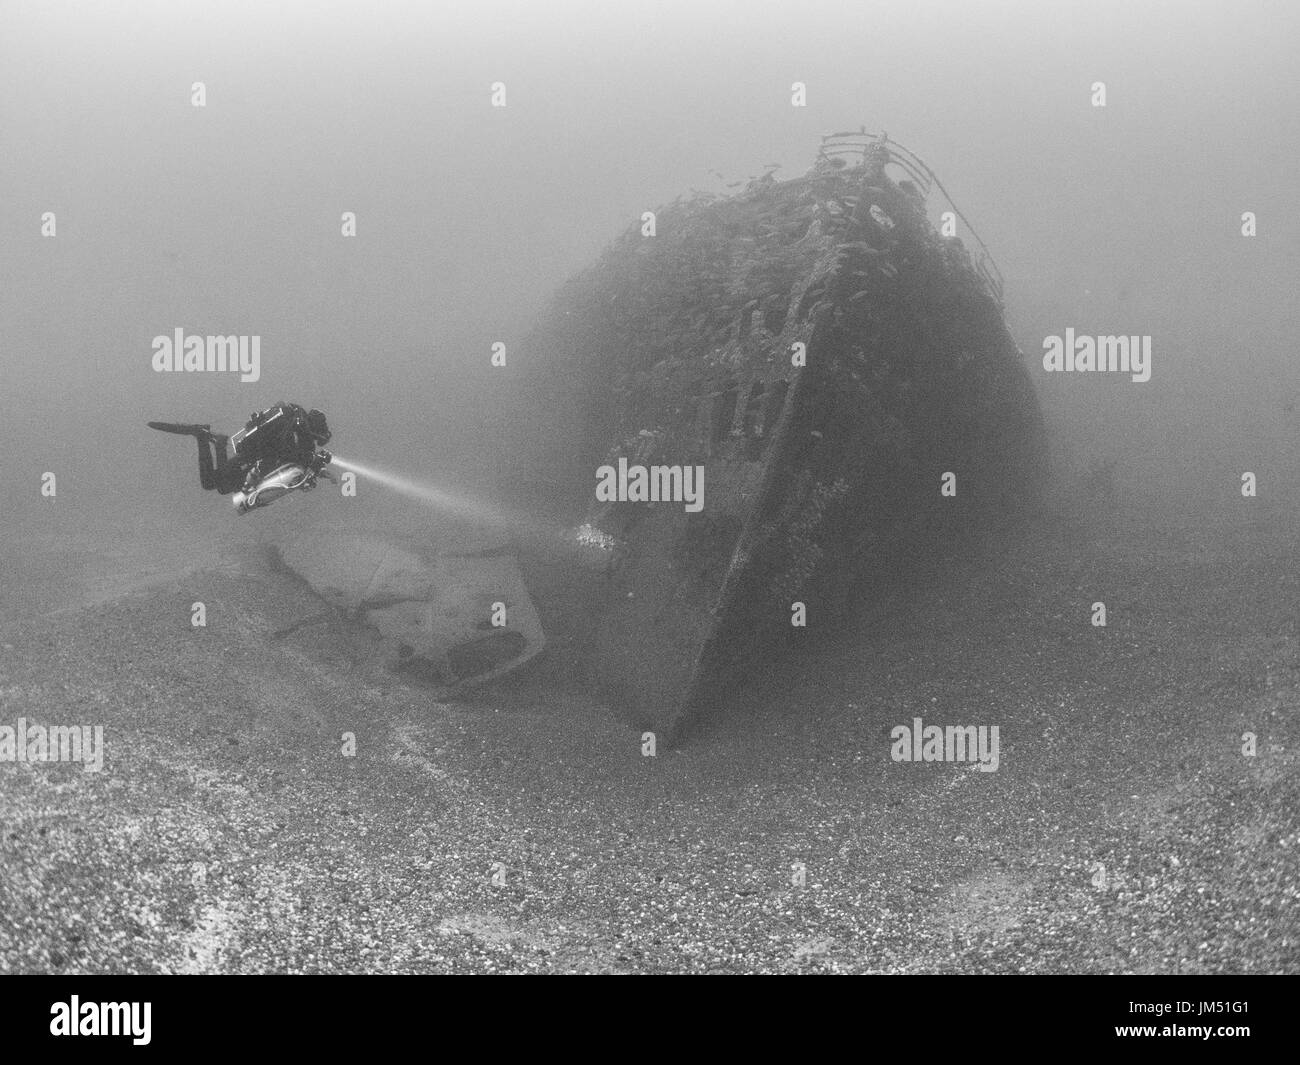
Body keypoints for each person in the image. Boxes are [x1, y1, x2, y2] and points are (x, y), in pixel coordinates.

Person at [149, 402, 333, 513]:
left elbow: (297, 455)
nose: (316, 440)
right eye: (318, 436)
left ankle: (210, 439)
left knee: (220, 485)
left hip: (252, 459)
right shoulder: (298, 426)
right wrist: (315, 463)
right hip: (252, 460)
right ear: (316, 428)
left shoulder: (295, 424)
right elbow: (291, 452)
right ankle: (201, 435)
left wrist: (317, 465)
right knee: (213, 483)